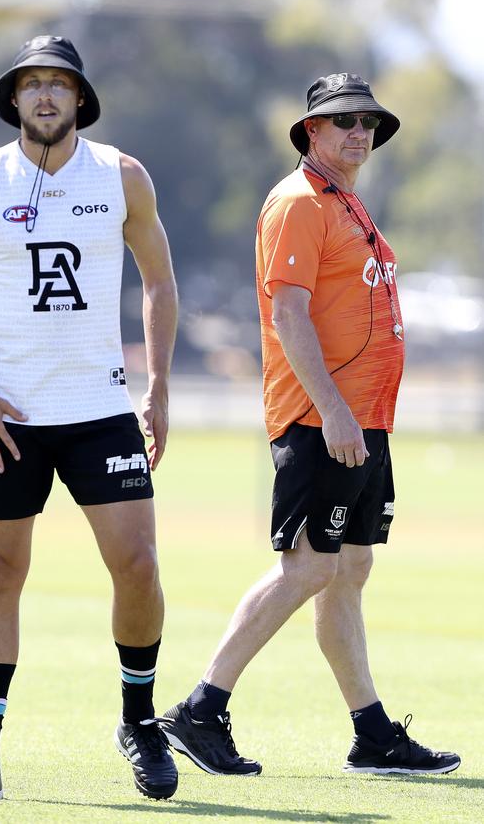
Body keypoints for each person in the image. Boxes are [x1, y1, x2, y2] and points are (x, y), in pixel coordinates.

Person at [158, 73, 460, 777]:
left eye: (368, 124)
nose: (360, 133)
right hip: (322, 419)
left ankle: (372, 734)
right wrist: (331, 410)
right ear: (312, 132)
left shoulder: (344, 200)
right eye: (345, 121)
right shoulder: (297, 201)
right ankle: (200, 708)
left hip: (362, 421)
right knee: (310, 564)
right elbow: (287, 313)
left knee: (350, 566)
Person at [0, 34, 179, 801]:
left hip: (101, 409)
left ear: (79, 99)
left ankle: (139, 721)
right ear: (14, 100)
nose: (45, 96)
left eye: (58, 85)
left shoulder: (122, 176)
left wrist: (159, 384)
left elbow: (160, 284)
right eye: (32, 84)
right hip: (5, 416)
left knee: (136, 565)